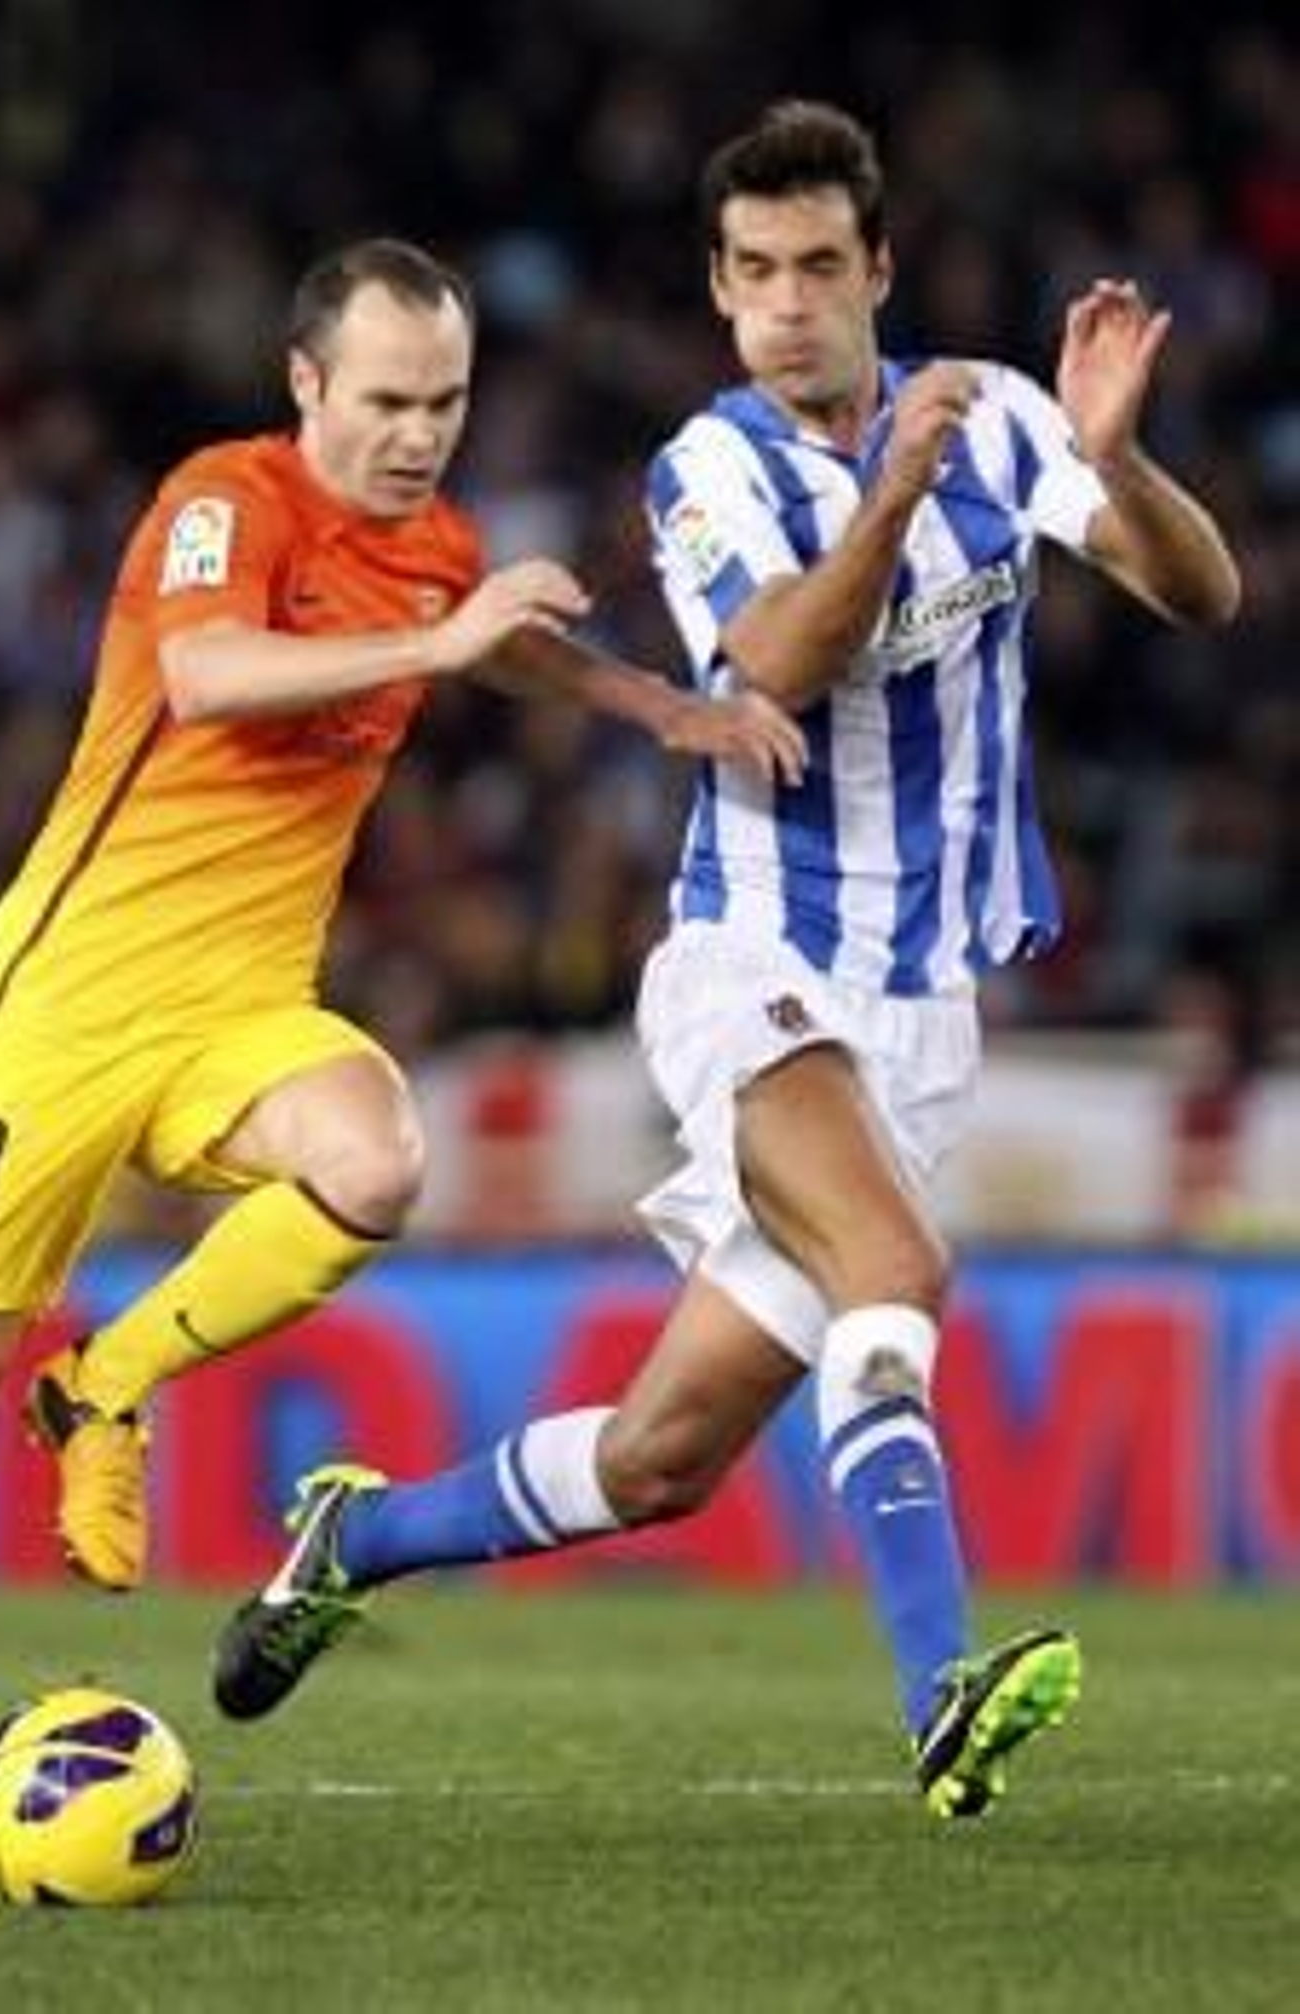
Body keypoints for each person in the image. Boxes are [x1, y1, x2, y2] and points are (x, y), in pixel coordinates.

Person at [0, 236, 805, 1882]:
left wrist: (662, 712)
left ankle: (109, 1383)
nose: (419, 432)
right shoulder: (222, 500)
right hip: (65, 1003)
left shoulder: (435, 545)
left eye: (445, 399)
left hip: (239, 1010)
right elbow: (206, 673)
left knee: (377, 1159)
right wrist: (438, 650)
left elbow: (495, 635)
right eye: (385, 398)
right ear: (307, 385)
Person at [210, 104, 1242, 1819]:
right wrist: (898, 487)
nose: (786, 304)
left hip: (921, 1022)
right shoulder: (708, 467)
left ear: (879, 270)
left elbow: (1199, 596)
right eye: (753, 272)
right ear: (717, 289)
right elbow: (774, 655)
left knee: (659, 1458)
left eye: (819, 267)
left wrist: (1120, 463)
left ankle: (357, 1535)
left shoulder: (988, 413)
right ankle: (940, 1692)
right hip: (752, 964)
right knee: (894, 1273)